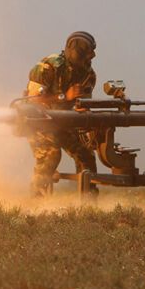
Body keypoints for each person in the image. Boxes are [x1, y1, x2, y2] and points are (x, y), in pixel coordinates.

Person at [23, 31, 99, 196]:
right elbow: (32, 100)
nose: (90, 56)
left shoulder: (88, 75)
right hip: (37, 121)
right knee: (51, 155)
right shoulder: (47, 67)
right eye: (86, 52)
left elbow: (82, 105)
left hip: (63, 121)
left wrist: (88, 120)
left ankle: (88, 202)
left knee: (86, 155)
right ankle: (37, 201)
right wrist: (65, 96)